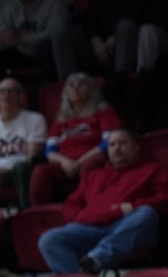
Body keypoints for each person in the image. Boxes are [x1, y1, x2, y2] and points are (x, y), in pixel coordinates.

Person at [37, 127, 168, 275]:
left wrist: (133, 206)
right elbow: (72, 202)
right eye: (112, 145)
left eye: (122, 143)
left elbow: (167, 199)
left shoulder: (154, 170)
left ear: (135, 148)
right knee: (48, 239)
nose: (117, 149)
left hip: (125, 226)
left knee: (146, 213)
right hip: (89, 227)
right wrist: (79, 217)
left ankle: (96, 259)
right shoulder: (94, 175)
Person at [30, 72, 123, 206]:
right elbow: (49, 151)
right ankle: (41, 214)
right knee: (40, 172)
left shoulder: (104, 112)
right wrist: (65, 162)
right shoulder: (61, 120)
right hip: (65, 163)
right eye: (71, 86)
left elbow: (109, 142)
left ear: (91, 90)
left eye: (81, 85)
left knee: (89, 167)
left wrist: (80, 161)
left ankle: (90, 208)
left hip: (93, 159)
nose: (75, 89)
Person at [0, 0, 74, 84]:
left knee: (47, 45)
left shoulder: (55, 4)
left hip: (48, 54)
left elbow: (56, 33)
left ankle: (53, 88)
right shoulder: (9, 8)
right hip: (21, 54)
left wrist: (22, 39)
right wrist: (3, 40)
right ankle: (3, 91)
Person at [0, 78, 51, 207]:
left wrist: (7, 173)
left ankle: (27, 212)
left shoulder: (35, 119)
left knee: (21, 169)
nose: (6, 95)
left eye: (11, 91)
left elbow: (32, 156)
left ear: (21, 97)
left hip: (24, 169)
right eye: (2, 91)